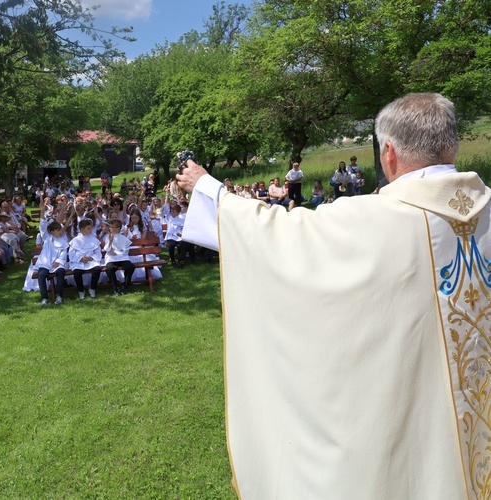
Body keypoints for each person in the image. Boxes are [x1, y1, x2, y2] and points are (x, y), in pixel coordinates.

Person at [178, 93, 487, 498]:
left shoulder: (372, 218)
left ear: (388, 153)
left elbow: (279, 234)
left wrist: (205, 186)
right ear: (453, 144)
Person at [36, 221, 69, 307]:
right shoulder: (47, 238)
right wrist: (42, 212)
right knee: (41, 274)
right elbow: (43, 227)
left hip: (58, 264)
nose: (60, 232)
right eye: (57, 230)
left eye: (60, 230)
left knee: (61, 272)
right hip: (45, 263)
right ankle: (44, 298)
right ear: (51, 231)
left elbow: (63, 254)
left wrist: (58, 262)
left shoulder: (63, 242)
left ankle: (59, 296)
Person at [68, 219, 102, 300]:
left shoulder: (94, 240)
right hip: (79, 262)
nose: (91, 230)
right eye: (88, 228)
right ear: (82, 230)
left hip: (91, 261)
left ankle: (92, 288)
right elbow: (71, 254)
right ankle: (81, 290)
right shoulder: (75, 240)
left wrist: (91, 258)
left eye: (91, 228)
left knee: (97, 269)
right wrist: (80, 259)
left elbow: (98, 252)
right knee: (76, 272)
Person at [103, 219, 134, 296]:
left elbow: (126, 250)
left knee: (130, 267)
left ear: (118, 228)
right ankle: (116, 288)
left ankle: (125, 286)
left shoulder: (124, 238)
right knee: (109, 268)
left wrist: (116, 252)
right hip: (111, 259)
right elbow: (106, 249)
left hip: (122, 258)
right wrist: (110, 242)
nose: (111, 229)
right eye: (110, 227)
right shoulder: (108, 237)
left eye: (113, 227)